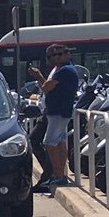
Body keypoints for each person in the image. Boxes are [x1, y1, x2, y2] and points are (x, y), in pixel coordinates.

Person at [35, 43, 81, 193]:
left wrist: (38, 76)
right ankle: (60, 173)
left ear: (68, 54)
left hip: (58, 112)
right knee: (60, 141)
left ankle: (59, 174)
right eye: (53, 55)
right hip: (60, 111)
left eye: (61, 54)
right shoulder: (62, 70)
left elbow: (46, 88)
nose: (56, 57)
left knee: (49, 142)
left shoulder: (64, 70)